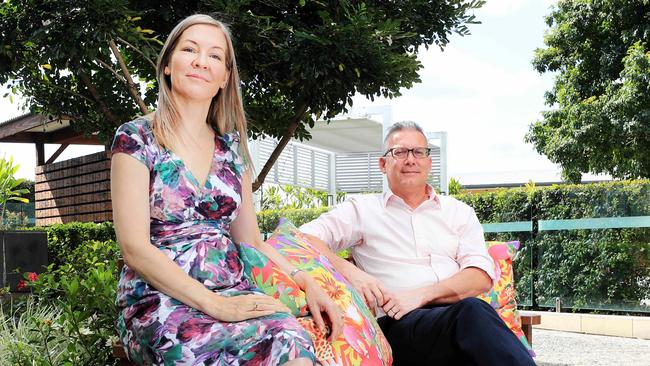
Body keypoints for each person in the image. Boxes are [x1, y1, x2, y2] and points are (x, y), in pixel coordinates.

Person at [111, 14, 342, 365]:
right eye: (190, 49)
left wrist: (304, 281)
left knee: (292, 341)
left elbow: (251, 241)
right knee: (196, 350)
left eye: (215, 56)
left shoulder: (232, 151)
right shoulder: (136, 138)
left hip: (235, 292)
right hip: (160, 302)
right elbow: (135, 248)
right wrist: (216, 305)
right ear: (168, 65)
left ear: (224, 78)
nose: (202, 61)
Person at [299, 121, 536, 366]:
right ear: (383, 164)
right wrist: (352, 273)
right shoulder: (362, 210)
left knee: (471, 322)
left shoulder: (458, 212)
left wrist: (419, 296)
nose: (410, 160)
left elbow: (480, 277)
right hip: (398, 326)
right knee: (472, 314)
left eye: (419, 152)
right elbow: (302, 238)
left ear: (429, 162)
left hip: (456, 322)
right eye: (400, 152)